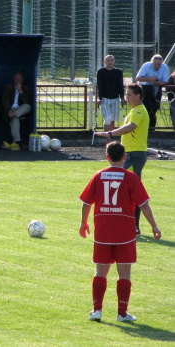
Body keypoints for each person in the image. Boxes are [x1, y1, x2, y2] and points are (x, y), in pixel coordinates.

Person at [79, 141, 161, 323]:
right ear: (125, 157)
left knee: (100, 272)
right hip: (125, 233)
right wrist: (154, 226)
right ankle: (122, 313)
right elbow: (144, 205)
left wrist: (83, 223)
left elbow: (86, 203)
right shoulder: (131, 178)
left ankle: (96, 311)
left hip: (103, 232)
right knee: (125, 274)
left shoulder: (98, 176)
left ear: (106, 157)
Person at [95, 83, 149, 235]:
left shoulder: (139, 111)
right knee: (124, 189)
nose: (127, 98)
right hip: (130, 155)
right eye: (127, 95)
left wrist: (111, 134)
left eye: (130, 94)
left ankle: (134, 226)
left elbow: (131, 127)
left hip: (135, 155)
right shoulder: (133, 111)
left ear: (138, 96)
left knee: (133, 191)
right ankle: (129, 223)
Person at [135, 54, 169, 130]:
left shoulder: (165, 67)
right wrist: (150, 79)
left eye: (159, 64)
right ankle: (143, 127)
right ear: (152, 62)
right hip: (145, 88)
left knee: (154, 109)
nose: (157, 66)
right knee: (145, 108)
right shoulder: (146, 66)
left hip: (157, 88)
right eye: (155, 64)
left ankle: (152, 128)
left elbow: (165, 82)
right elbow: (138, 78)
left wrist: (157, 83)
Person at [0, 73, 31, 150]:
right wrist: (9, 110)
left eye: (19, 79)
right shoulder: (9, 87)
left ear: (22, 80)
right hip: (11, 110)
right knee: (15, 119)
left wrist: (20, 91)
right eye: (16, 79)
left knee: (28, 106)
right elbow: (5, 100)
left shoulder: (25, 88)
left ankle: (11, 115)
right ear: (13, 79)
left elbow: (27, 101)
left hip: (20, 110)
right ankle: (17, 141)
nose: (18, 80)